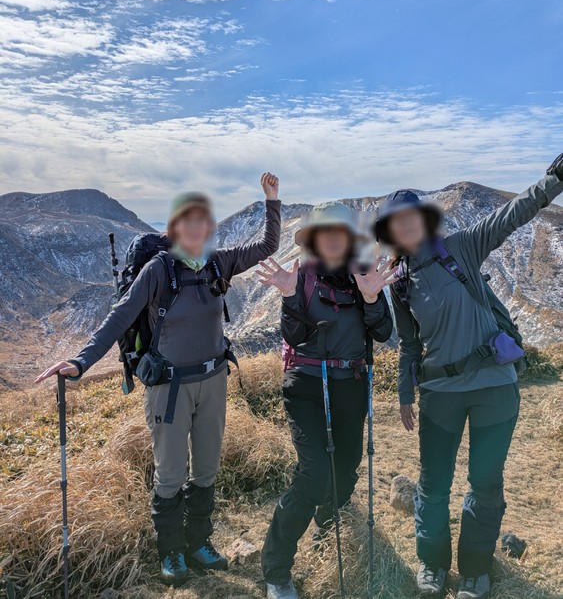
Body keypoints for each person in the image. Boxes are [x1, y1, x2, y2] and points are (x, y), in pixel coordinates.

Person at [35, 173, 282, 587]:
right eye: (188, 221)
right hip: (169, 389)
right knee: (169, 475)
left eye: (202, 221)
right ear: (174, 228)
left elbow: (268, 246)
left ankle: (198, 543)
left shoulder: (219, 261)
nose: (196, 228)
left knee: (206, 469)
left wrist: (272, 201)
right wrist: (81, 361)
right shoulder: (158, 269)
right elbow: (120, 317)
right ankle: (171, 551)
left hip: (213, 381)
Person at [374, 154, 563, 599]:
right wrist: (405, 394)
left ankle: (476, 569)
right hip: (439, 393)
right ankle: (432, 565)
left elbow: (511, 215)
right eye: (395, 222)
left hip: (494, 387)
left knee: (485, 482)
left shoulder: (460, 247)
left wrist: (554, 179)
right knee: (433, 484)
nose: (405, 225)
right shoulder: (399, 282)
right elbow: (409, 345)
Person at [256, 201, 396, 599]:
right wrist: (289, 296)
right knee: (314, 473)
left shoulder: (362, 274)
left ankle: (326, 523)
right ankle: (276, 569)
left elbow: (383, 333)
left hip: (350, 384)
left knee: (346, 467)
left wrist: (372, 299)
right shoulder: (301, 277)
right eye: (325, 231)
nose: (333, 238)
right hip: (306, 384)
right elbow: (294, 336)